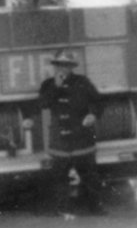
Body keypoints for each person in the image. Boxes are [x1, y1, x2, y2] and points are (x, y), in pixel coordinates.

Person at [35, 49, 107, 215]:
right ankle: (63, 211)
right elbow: (43, 104)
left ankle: (96, 209)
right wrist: (56, 87)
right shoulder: (47, 85)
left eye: (66, 66)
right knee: (59, 179)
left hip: (82, 139)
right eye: (60, 65)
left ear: (71, 67)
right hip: (59, 141)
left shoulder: (83, 82)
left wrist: (93, 115)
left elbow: (99, 102)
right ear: (55, 66)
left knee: (90, 177)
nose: (63, 69)